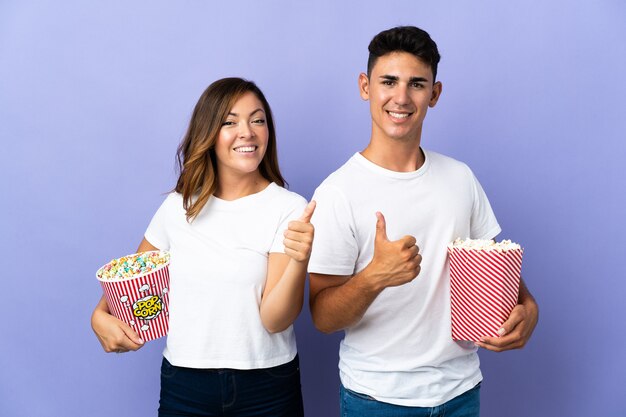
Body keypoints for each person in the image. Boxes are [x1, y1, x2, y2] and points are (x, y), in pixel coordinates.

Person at [307, 26, 539, 416]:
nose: (401, 97)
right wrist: (375, 276)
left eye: (416, 84)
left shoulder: (460, 178)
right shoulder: (337, 192)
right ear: (365, 86)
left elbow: (498, 270)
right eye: (388, 82)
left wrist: (529, 308)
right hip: (376, 399)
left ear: (435, 94)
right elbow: (323, 318)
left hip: (460, 392)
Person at [91, 77, 315, 417]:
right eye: (230, 122)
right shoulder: (178, 207)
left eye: (258, 120)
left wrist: (299, 261)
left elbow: (274, 320)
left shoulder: (289, 208)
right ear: (208, 133)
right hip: (185, 385)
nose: (248, 132)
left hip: (267, 386)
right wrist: (99, 316)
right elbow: (130, 281)